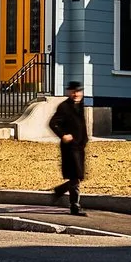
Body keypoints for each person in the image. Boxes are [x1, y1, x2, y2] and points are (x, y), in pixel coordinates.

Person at [48, 79, 90, 216]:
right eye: (73, 92)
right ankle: (75, 206)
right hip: (70, 148)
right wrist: (63, 135)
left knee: (78, 176)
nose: (76, 94)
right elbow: (53, 123)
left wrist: (85, 140)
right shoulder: (64, 107)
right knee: (75, 176)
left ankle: (60, 190)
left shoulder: (80, 106)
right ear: (69, 92)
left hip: (80, 146)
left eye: (78, 91)